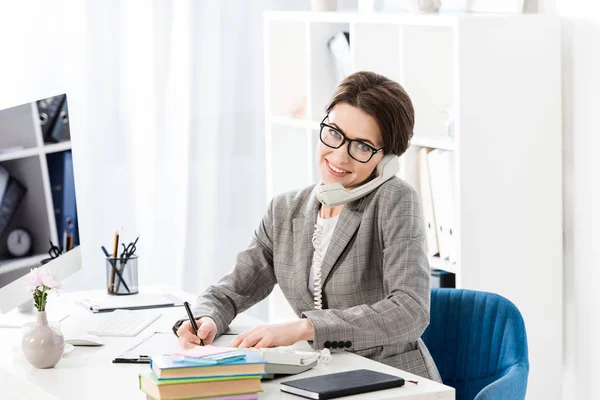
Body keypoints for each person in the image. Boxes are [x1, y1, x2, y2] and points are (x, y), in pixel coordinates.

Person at [172, 71, 441, 382]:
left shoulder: (395, 199)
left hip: (393, 381)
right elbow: (233, 289)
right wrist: (206, 317)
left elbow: (410, 310)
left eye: (363, 146)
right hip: (322, 376)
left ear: (386, 160)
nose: (340, 154)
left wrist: (305, 327)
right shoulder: (285, 210)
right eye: (334, 133)